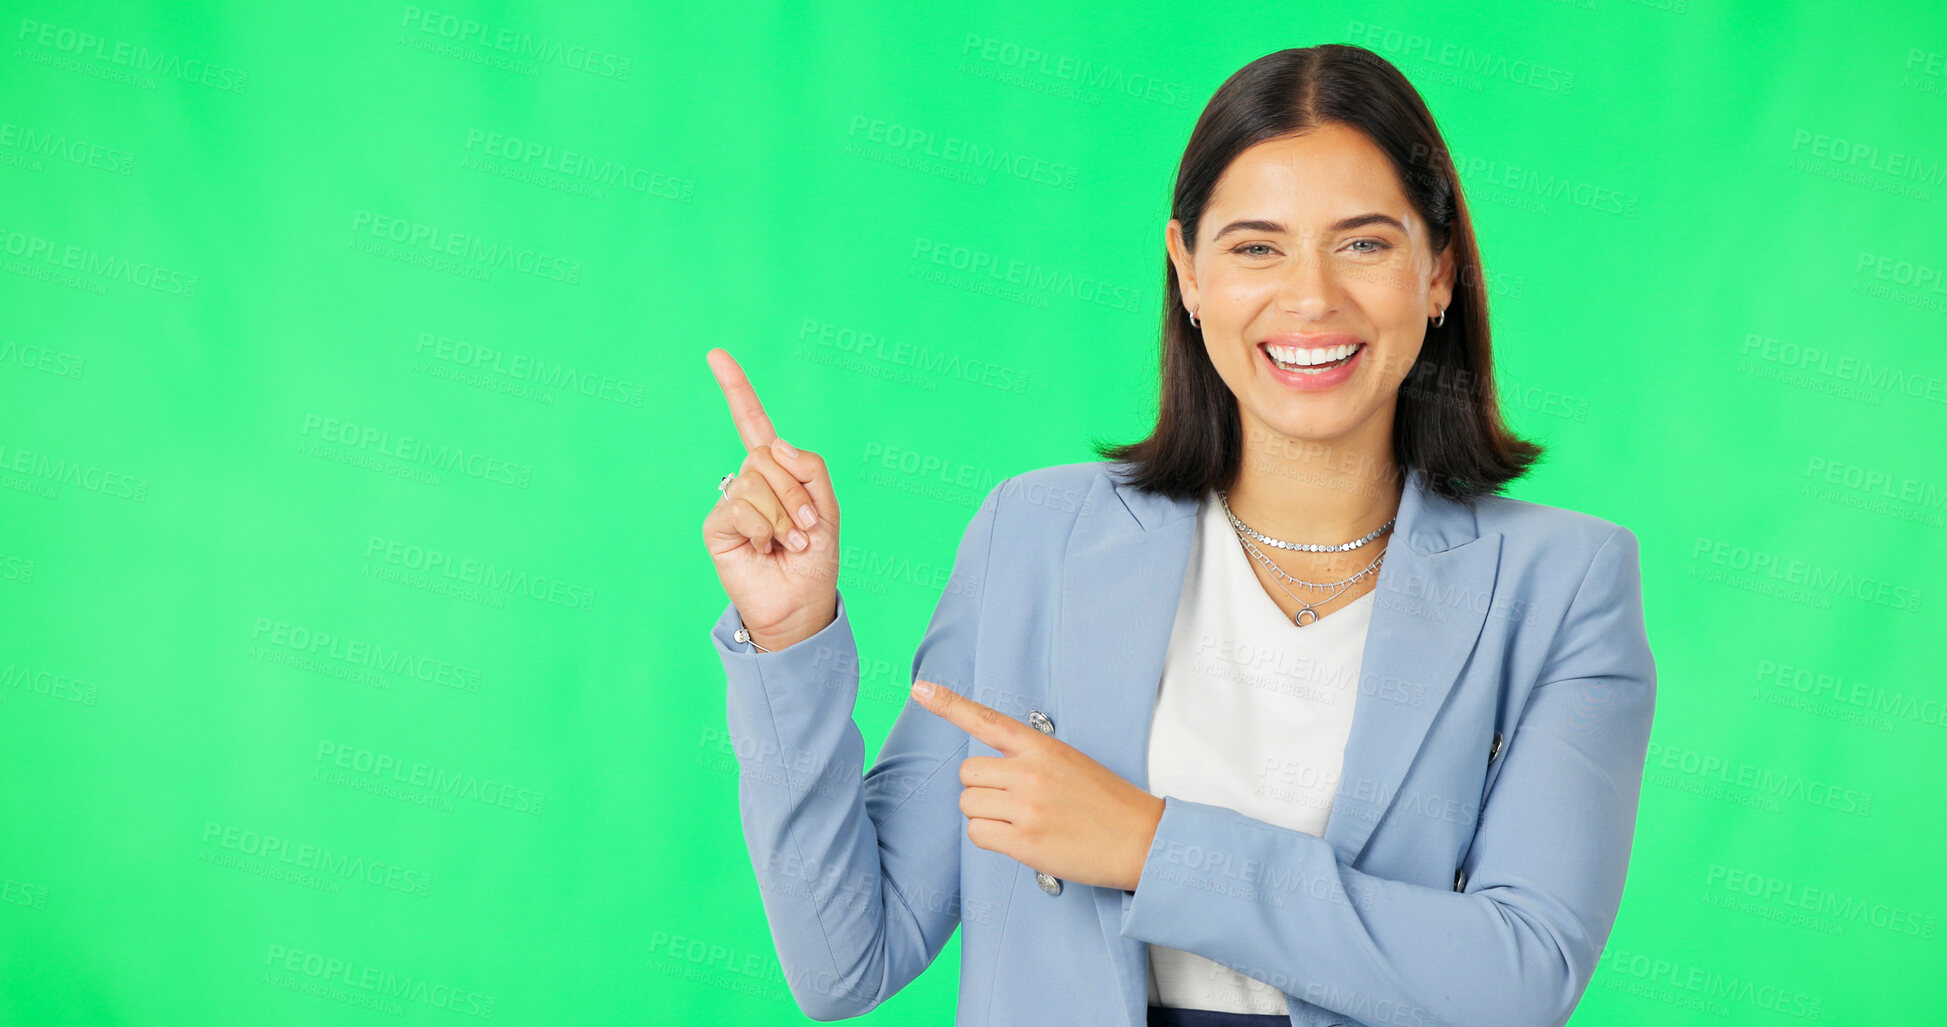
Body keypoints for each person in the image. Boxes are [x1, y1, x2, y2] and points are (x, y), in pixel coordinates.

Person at [701, 43, 1655, 1027]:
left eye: (1364, 243)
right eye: (1255, 247)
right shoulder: (1038, 536)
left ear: (1439, 272)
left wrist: (1156, 847)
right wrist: (790, 635)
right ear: (1188, 274)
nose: (1311, 296)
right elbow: (847, 961)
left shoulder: (1566, 583)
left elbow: (1519, 978)